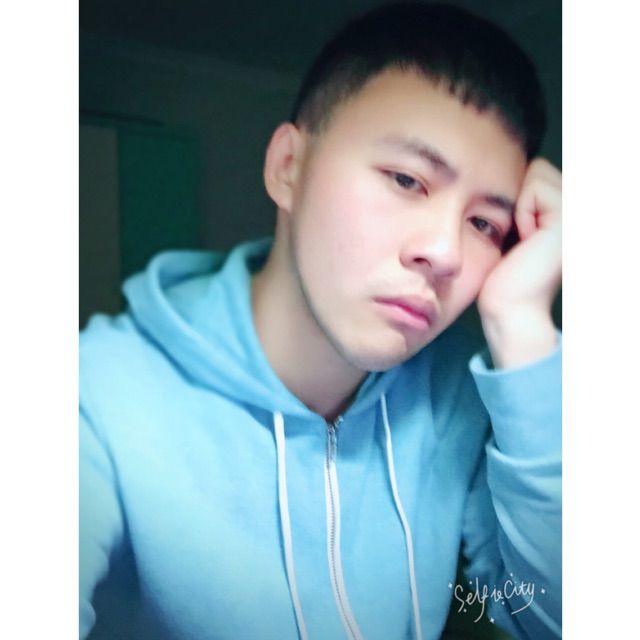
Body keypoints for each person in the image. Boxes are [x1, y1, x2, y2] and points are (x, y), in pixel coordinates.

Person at [79, 3, 562, 639]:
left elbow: (543, 617)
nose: (445, 252)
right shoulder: (97, 392)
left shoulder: (456, 395)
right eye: (406, 180)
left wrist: (524, 325)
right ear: (289, 167)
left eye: (483, 224)